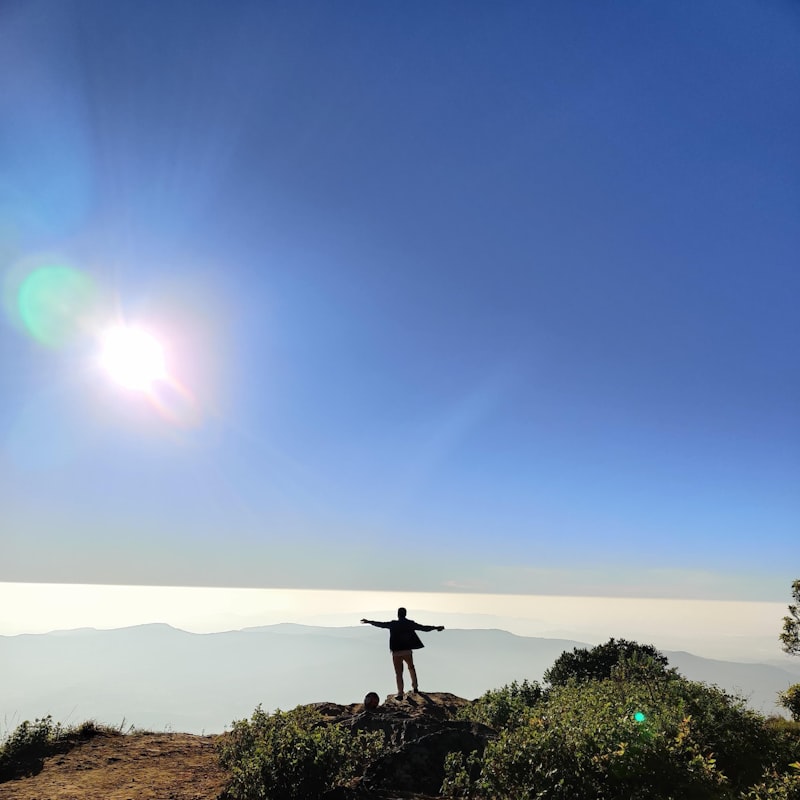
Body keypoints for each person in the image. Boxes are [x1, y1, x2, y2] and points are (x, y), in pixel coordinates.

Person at [361, 607, 444, 699]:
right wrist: (436, 628)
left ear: (398, 614)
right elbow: (423, 628)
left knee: (399, 673)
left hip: (396, 652)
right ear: (405, 614)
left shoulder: (393, 624)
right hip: (407, 650)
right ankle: (415, 687)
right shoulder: (409, 624)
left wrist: (369, 621)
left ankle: (400, 693)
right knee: (411, 667)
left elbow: (381, 624)